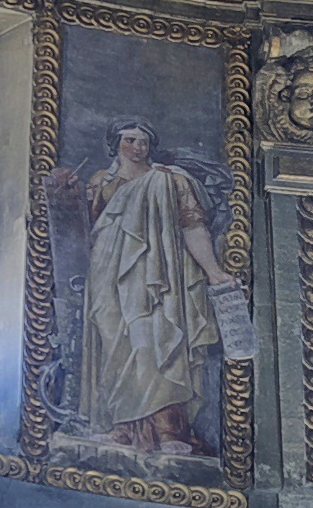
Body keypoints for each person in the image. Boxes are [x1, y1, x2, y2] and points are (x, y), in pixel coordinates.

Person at [48, 125, 235, 458]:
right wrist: (62, 197)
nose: (137, 147)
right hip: (107, 274)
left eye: (144, 141)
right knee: (115, 345)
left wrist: (214, 272)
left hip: (157, 276)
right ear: (115, 145)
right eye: (129, 140)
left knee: (156, 340)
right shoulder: (99, 183)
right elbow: (82, 235)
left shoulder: (169, 179)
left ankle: (169, 430)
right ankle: (120, 427)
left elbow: (193, 226)